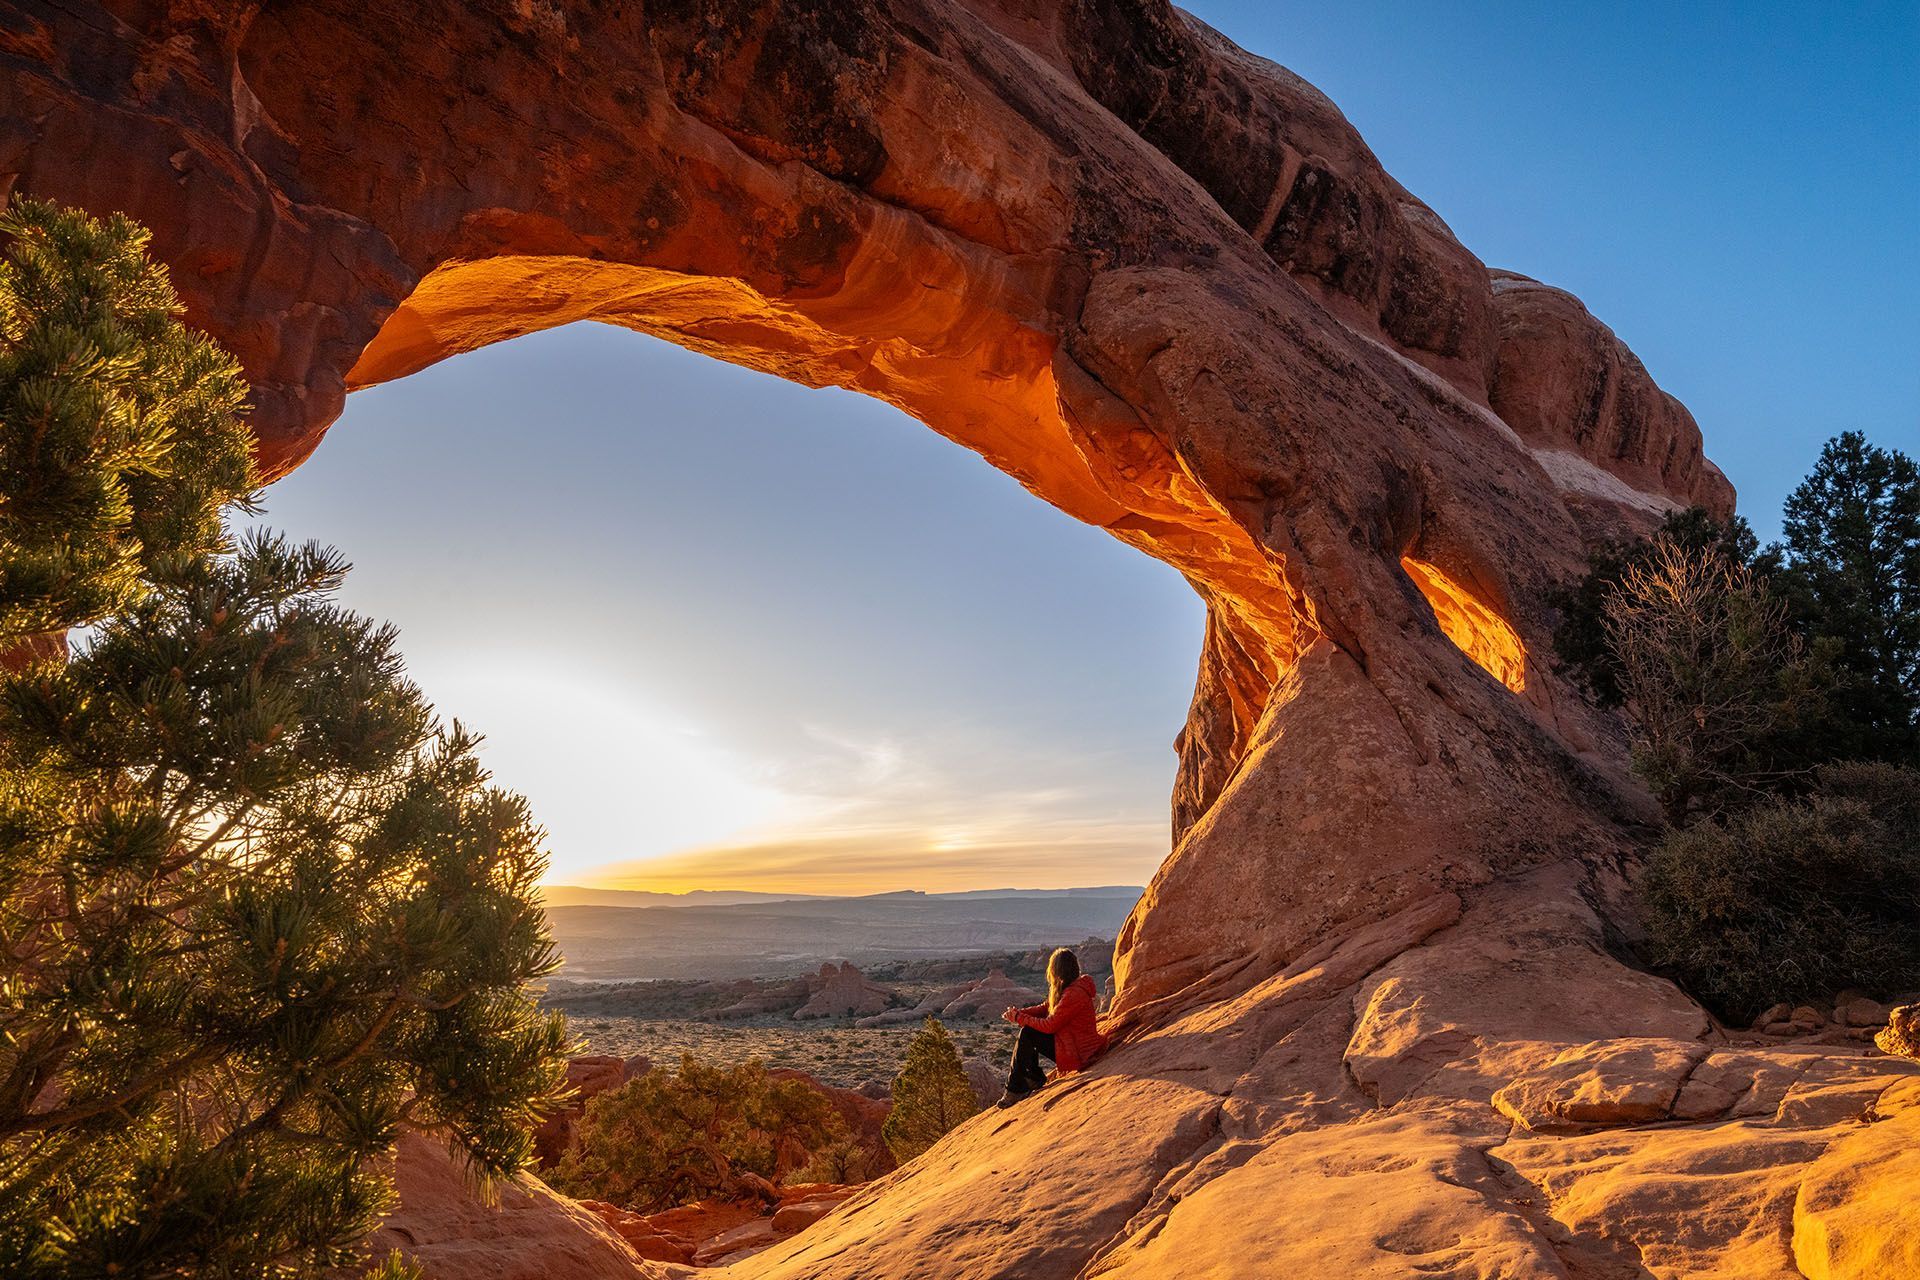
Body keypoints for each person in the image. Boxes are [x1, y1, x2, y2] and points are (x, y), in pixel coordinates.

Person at [998, 947, 1108, 1106]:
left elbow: (1049, 1026)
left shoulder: (1074, 994)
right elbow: (1045, 1007)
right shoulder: (1069, 988)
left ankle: (1016, 1089)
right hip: (1070, 1043)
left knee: (1028, 1033)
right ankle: (1032, 1079)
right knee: (1029, 1032)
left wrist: (1020, 1018)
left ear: (1057, 970)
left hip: (1080, 1053)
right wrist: (1019, 1013)